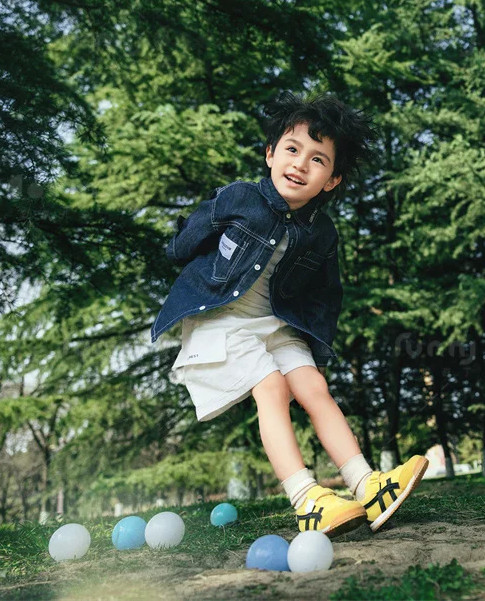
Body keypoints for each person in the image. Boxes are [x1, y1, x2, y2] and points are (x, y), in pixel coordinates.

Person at [150, 91, 428, 537]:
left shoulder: (322, 235)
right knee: (272, 387)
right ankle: (307, 499)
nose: (300, 164)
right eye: (292, 150)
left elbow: (324, 298)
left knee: (313, 386)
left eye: (317, 159)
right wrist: (185, 249)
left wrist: (313, 351)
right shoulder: (236, 199)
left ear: (332, 180)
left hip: (273, 323)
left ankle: (367, 485)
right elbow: (184, 244)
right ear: (270, 154)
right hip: (219, 319)